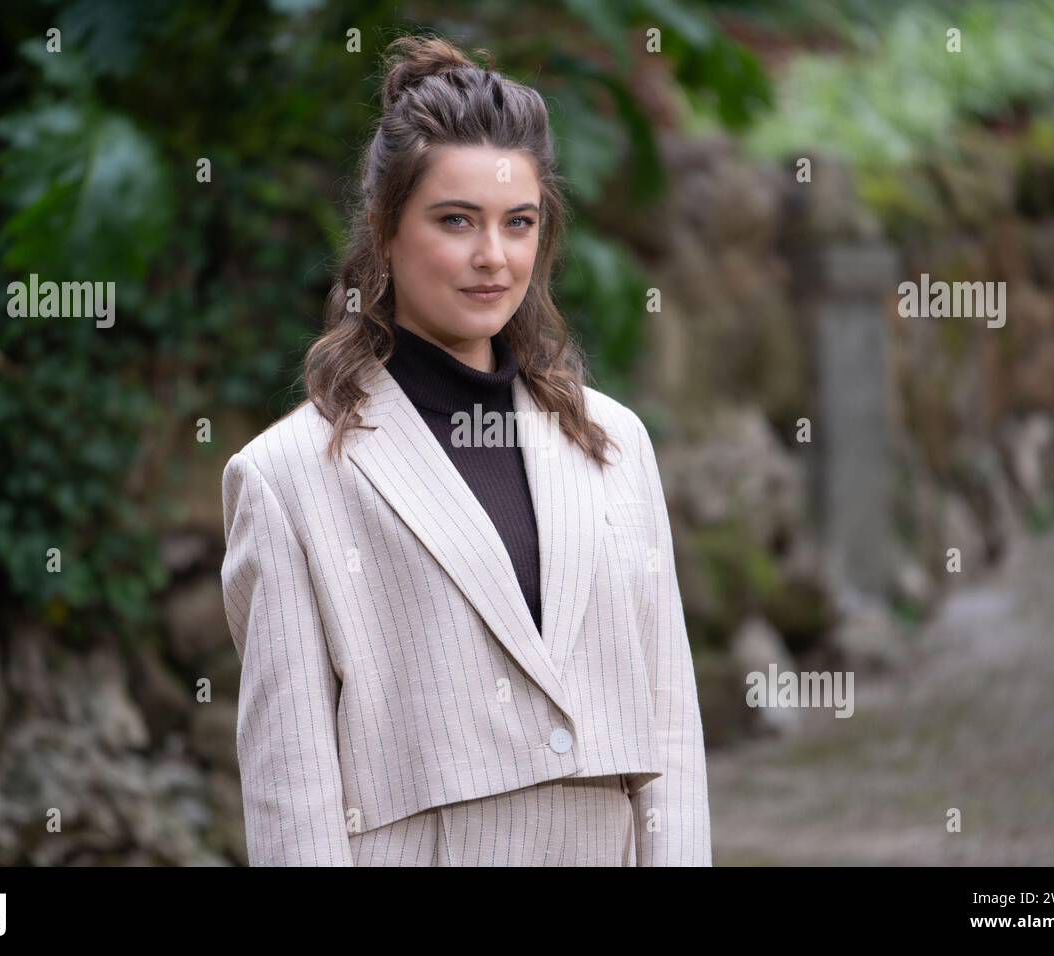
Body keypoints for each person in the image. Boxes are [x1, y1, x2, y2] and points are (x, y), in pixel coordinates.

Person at [219, 33, 710, 866]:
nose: (494, 257)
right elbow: (292, 789)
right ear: (385, 231)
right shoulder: (287, 479)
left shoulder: (615, 444)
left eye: (518, 223)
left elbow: (671, 733)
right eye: (456, 222)